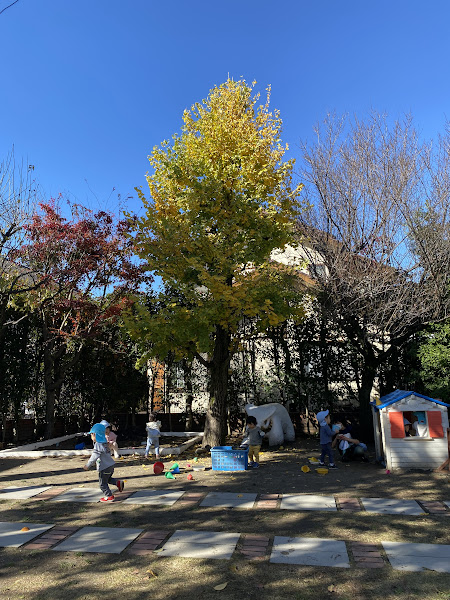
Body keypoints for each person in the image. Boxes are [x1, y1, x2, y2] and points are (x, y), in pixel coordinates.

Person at [83, 423, 124, 502]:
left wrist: (88, 465)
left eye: (91, 434)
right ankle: (118, 482)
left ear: (95, 435)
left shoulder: (98, 445)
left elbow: (94, 456)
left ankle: (109, 496)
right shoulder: (105, 443)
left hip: (104, 467)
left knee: (102, 484)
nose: (91, 437)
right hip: (110, 466)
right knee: (107, 479)